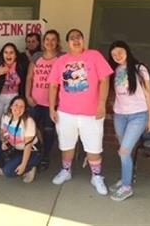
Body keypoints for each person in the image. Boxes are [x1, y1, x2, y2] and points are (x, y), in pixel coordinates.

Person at [48, 28, 113, 195]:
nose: (76, 40)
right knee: (67, 144)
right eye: (72, 38)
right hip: (66, 112)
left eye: (79, 37)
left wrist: (101, 104)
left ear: (83, 40)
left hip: (91, 113)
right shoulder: (61, 61)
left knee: (94, 146)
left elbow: (105, 79)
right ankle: (66, 171)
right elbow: (54, 85)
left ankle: (96, 176)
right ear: (67, 42)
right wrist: (51, 108)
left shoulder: (94, 55)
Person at [108, 41, 150, 201]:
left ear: (127, 51)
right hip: (120, 116)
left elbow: (148, 95)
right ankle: (125, 178)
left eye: (120, 52)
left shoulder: (140, 69)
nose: (117, 56)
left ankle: (127, 187)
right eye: (113, 54)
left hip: (138, 116)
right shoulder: (114, 70)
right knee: (123, 151)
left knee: (124, 151)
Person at [25, 29, 63, 171]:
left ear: (58, 42)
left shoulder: (62, 58)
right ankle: (31, 154)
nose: (50, 42)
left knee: (48, 131)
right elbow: (29, 78)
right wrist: (28, 96)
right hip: (35, 102)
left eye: (53, 39)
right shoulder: (37, 56)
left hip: (52, 104)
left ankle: (45, 156)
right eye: (47, 39)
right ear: (43, 41)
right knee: (31, 130)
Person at [0, 96, 41, 183]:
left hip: (30, 151)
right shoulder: (6, 117)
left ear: (25, 109)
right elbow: (2, 132)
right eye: (16, 105)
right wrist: (4, 141)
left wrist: (23, 165)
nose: (18, 109)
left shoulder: (28, 121)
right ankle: (1, 167)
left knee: (9, 172)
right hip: (14, 147)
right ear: (11, 106)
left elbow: (28, 146)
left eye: (21, 107)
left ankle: (29, 168)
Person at [0, 42, 29, 140]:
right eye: (6, 52)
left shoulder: (21, 65)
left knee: (9, 123)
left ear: (16, 55)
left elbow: (27, 81)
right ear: (2, 54)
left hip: (14, 98)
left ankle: (5, 144)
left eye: (11, 52)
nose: (8, 55)